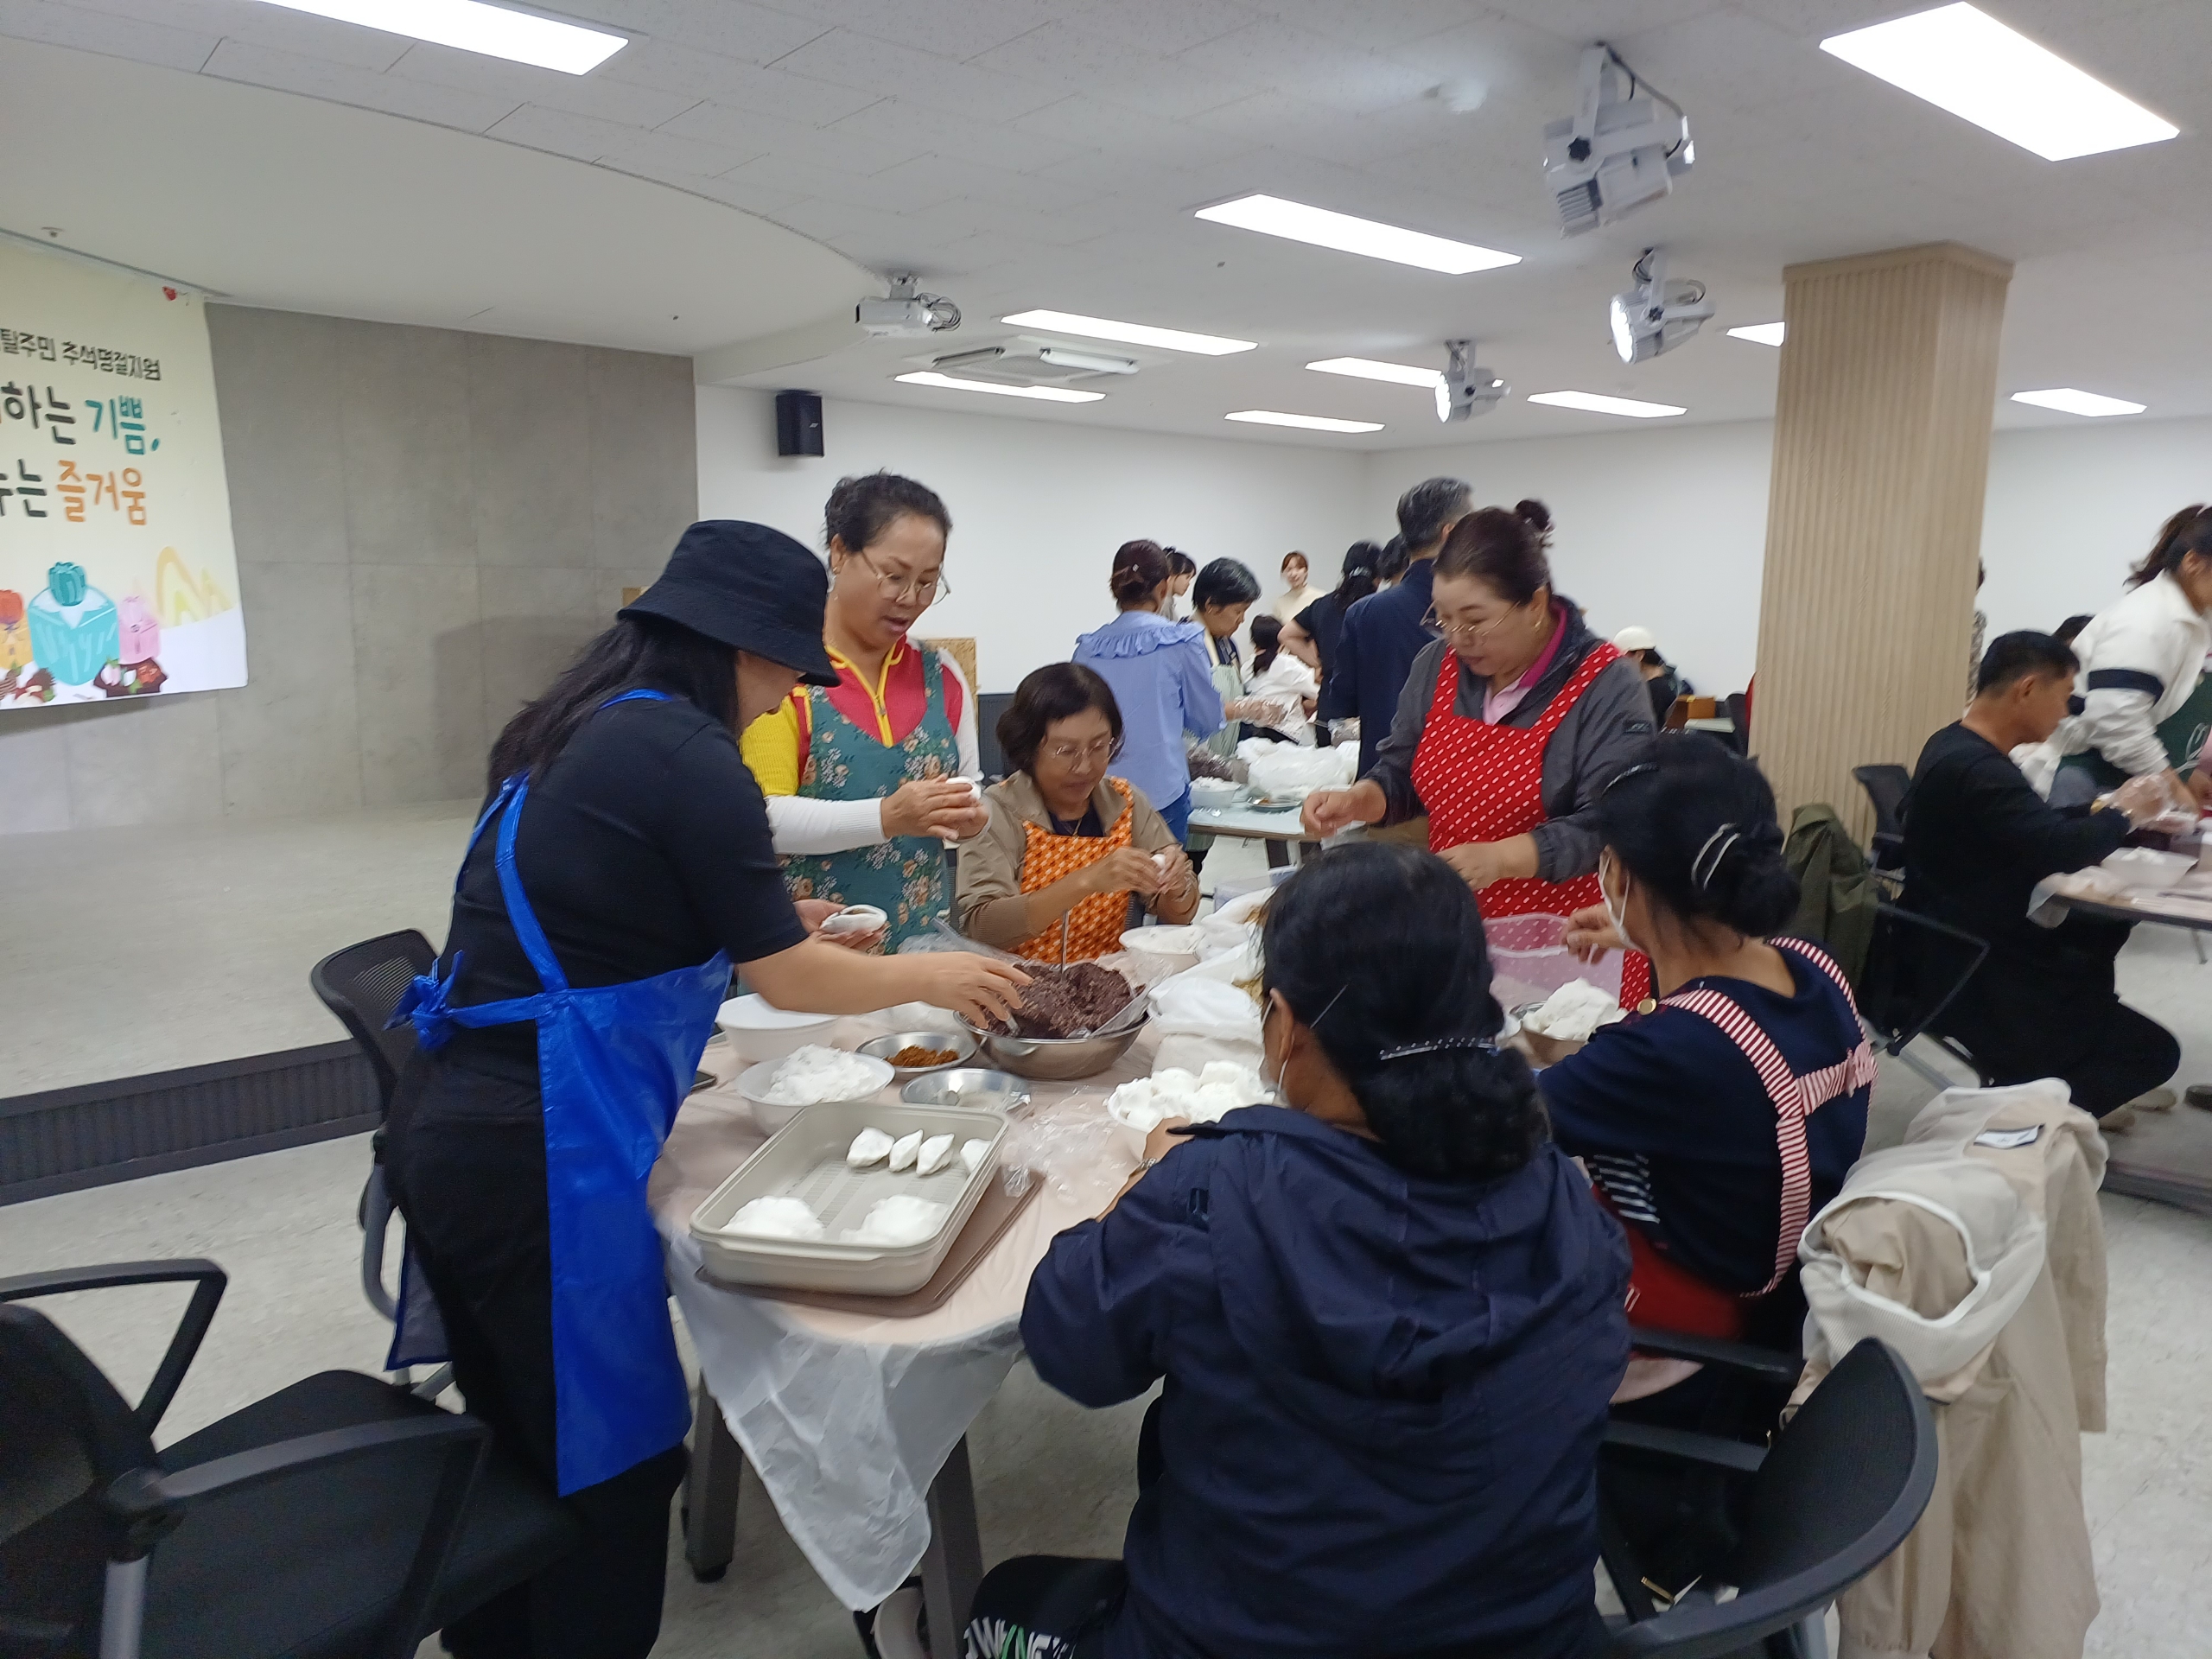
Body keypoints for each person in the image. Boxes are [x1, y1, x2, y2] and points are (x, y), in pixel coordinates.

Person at [382, 521, 1027, 1659]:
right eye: (785, 673)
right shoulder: (687, 754)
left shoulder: (577, 724)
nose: (784, 699)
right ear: (739, 648)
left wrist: (761, 923)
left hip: (457, 1124)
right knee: (609, 1466)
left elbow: (599, 915)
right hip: (537, 1152)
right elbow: (791, 980)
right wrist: (932, 975)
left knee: (516, 1445)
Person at [966, 842, 1630, 1659]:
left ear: (1285, 1025)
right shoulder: (1554, 1188)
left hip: (1243, 1640)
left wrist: (1145, 1186)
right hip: (1533, 1637)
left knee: (1000, 1604)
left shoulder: (1217, 1192)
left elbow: (1070, 1341)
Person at [1542, 735, 1873, 1350]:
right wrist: (1645, 932)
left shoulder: (1663, 1053)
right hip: (1795, 1281)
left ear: (1621, 875)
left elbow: (1497, 1120)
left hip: (1689, 1319)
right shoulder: (1813, 966)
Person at [1303, 501, 1657, 1007]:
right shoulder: (1437, 664)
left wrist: (1503, 858)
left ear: (1535, 605)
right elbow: (1402, 770)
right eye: (1444, 620)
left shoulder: (1606, 683)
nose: (1458, 639)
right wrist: (1361, 799)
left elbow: (1615, 821)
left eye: (1475, 621)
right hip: (1458, 929)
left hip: (1572, 940)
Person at [1904, 630, 2179, 1121]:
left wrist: (2103, 809)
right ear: (2028, 689)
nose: (2067, 713)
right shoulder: (1980, 769)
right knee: (2155, 1052)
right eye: (2064, 696)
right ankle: (2027, 1120)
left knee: (2101, 933)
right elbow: (2058, 849)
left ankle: (2051, 1082)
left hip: (1950, 944)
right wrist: (2126, 813)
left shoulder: (1955, 745)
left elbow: (2030, 828)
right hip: (1977, 970)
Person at [740, 472, 989, 951]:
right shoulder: (782, 671)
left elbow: (970, 782)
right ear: (839, 552)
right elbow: (764, 817)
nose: (910, 599)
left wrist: (969, 816)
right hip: (808, 952)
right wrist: (888, 815)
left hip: (920, 948)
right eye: (894, 576)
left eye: (927, 582)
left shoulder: (942, 673)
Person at [956, 664, 1200, 959]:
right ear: (1028, 747)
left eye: (1099, 746)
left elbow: (1177, 917)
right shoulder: (996, 813)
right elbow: (983, 928)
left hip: (1108, 978)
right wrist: (1087, 880)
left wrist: (1176, 886)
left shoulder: (1125, 803)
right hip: (1014, 980)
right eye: (1066, 751)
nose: (1085, 767)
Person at [2045, 505, 2212, 810]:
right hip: (2089, 777)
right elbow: (2116, 721)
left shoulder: (2197, 619)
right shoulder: (2146, 620)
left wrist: (2184, 777)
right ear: (2192, 563)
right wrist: (2173, 788)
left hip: (2136, 780)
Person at [1072, 540, 1224, 844]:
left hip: (1098, 796)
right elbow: (1207, 720)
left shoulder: (1087, 649)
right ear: (1164, 587)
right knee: (1164, 874)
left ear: (1115, 588)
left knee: (1106, 875)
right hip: (1162, 793)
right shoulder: (1181, 643)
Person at [1319, 480, 1471, 779]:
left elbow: (1341, 702)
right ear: (1451, 533)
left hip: (1380, 780)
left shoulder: (1364, 612)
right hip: (1453, 782)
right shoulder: (1477, 612)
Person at [1295, 539, 1380, 710]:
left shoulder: (1322, 605)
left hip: (1331, 702)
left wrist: (1319, 663)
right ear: (1379, 575)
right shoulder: (1380, 606)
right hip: (1369, 702)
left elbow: (1286, 634)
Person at [1243, 613, 1319, 744]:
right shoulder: (1287, 664)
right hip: (1288, 735)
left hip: (1256, 735)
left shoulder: (1245, 668)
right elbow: (1318, 692)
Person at [1612, 625, 1690, 725]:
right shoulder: (1661, 682)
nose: (1619, 663)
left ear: (1639, 655)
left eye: (1622, 657)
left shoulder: (1657, 689)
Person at [1270, 550, 1316, 625]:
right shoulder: (1279, 603)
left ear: (1306, 571)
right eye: (1289, 569)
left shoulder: (1319, 597)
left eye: (1298, 568)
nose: (1293, 574)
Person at [1163, 548, 1197, 620]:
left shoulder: (1167, 603)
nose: (1188, 583)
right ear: (1173, 573)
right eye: (1187, 577)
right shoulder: (1164, 604)